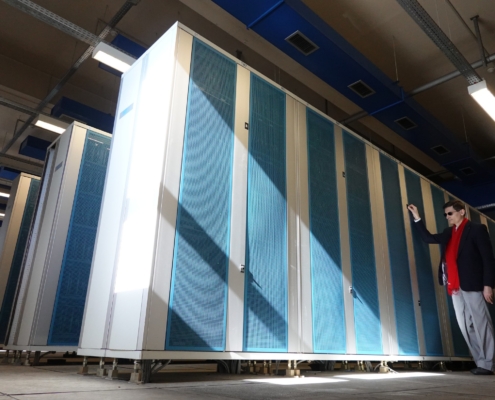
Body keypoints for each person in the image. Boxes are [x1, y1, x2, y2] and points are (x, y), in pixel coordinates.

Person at [407, 200, 495, 375]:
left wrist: (488, 285)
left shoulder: (477, 229)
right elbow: (429, 238)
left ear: (461, 212)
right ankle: (481, 361)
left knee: (481, 324)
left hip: (473, 284)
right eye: (445, 214)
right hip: (454, 285)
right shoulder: (449, 232)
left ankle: (489, 364)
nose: (447, 217)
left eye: (450, 213)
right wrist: (417, 217)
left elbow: (488, 259)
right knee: (466, 326)